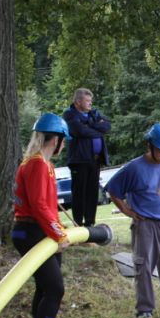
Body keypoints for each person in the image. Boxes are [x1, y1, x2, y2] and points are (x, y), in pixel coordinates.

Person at [104, 123, 160, 318]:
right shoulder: (134, 168)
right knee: (143, 267)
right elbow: (113, 189)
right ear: (150, 145)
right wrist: (127, 210)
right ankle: (145, 310)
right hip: (146, 225)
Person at [13, 114, 73, 318]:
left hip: (40, 231)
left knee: (45, 288)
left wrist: (59, 228)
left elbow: (47, 205)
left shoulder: (43, 164)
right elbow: (38, 206)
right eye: (63, 140)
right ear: (55, 140)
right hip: (31, 232)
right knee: (55, 289)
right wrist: (58, 234)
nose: (64, 145)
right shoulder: (37, 164)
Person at [62, 87, 111, 227]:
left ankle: (90, 224)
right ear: (78, 102)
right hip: (79, 160)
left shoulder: (93, 113)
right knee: (79, 192)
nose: (90, 103)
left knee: (92, 192)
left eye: (91, 100)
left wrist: (90, 125)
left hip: (95, 160)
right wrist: (97, 129)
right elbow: (79, 131)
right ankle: (78, 224)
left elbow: (107, 126)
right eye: (87, 100)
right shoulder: (70, 114)